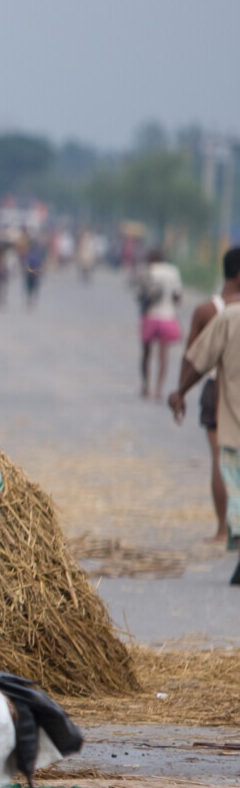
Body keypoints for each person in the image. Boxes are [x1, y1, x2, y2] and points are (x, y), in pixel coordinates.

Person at [170, 251, 240, 583]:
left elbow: (196, 357)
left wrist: (180, 392)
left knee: (223, 459)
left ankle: (224, 528)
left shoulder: (215, 312)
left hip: (220, 394)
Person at [136, 249, 184, 399]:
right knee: (163, 356)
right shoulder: (173, 271)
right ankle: (159, 389)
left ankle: (146, 386)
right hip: (167, 317)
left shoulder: (147, 271)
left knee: (146, 353)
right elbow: (177, 296)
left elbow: (140, 295)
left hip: (150, 316)